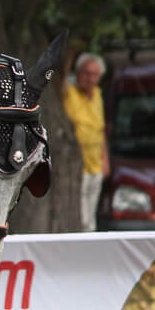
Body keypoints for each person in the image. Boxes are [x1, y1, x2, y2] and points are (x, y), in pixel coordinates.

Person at [62, 51, 109, 231]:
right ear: (78, 73)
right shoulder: (70, 92)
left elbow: (101, 130)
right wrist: (69, 56)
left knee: (91, 217)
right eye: (86, 73)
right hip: (76, 166)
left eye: (94, 75)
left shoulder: (97, 94)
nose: (90, 79)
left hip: (95, 165)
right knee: (80, 216)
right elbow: (62, 80)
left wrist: (105, 161)